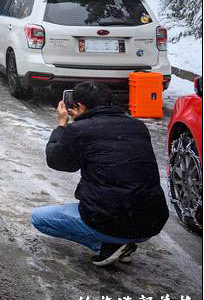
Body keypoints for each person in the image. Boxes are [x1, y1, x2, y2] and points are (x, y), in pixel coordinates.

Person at [31, 82, 170, 266]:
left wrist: (62, 125)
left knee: (39, 218)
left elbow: (57, 161)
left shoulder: (79, 130)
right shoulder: (138, 126)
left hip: (109, 219)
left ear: (80, 106)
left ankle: (108, 245)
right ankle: (122, 244)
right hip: (151, 220)